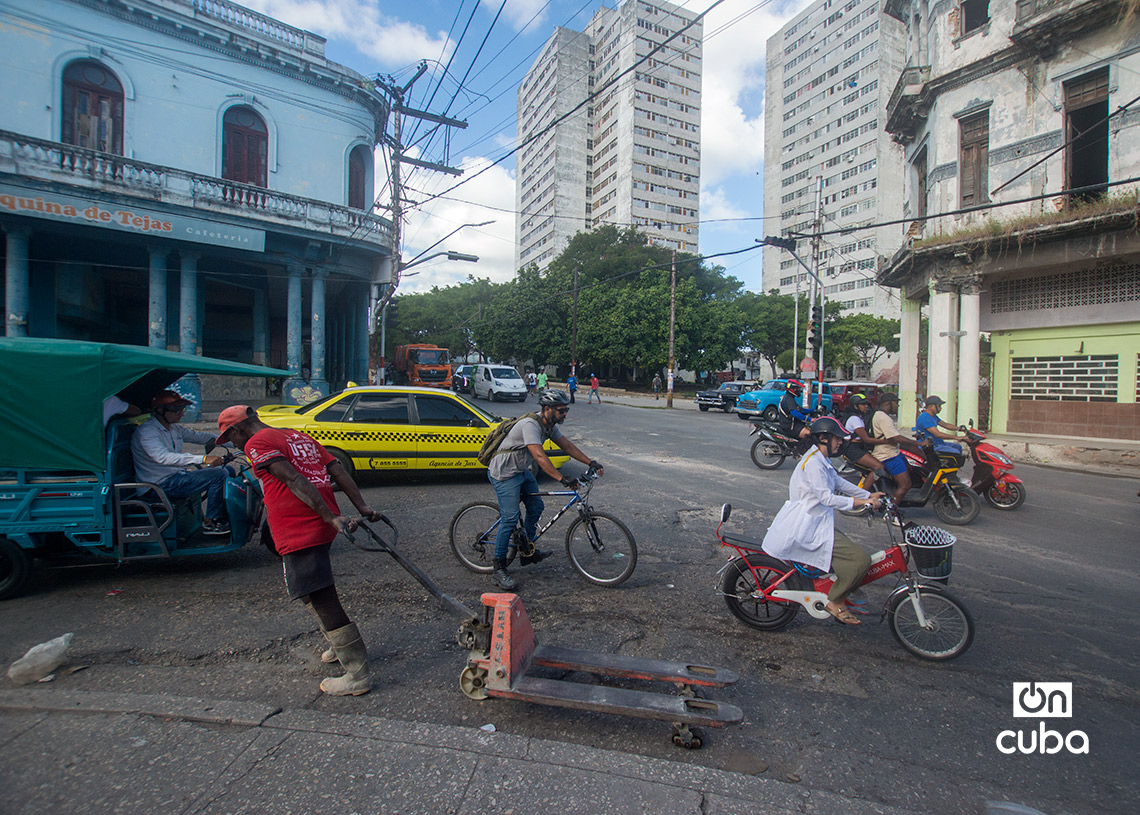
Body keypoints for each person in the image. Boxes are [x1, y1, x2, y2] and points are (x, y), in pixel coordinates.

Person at [216, 405, 383, 696]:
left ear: (237, 429)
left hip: (300, 527)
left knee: (321, 596)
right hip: (320, 523)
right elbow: (337, 471)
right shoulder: (296, 436)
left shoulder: (257, 442)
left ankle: (357, 672)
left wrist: (327, 516)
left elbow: (293, 479)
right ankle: (337, 644)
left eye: (230, 439)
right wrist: (362, 507)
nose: (234, 445)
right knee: (310, 590)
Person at [762, 417, 883, 625]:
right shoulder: (813, 464)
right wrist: (863, 501)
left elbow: (840, 482)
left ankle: (840, 586)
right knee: (860, 561)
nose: (840, 443)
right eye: (837, 438)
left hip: (818, 522)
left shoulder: (820, 459)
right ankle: (835, 601)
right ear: (823, 438)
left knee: (849, 559)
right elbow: (827, 498)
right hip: (808, 526)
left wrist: (867, 494)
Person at [486, 389, 603, 590]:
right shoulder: (531, 425)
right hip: (504, 472)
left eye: (566, 410)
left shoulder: (550, 425)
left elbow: (567, 446)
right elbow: (539, 456)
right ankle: (499, 567)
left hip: (521, 470)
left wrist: (590, 461)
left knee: (536, 507)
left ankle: (527, 550)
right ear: (547, 409)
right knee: (510, 518)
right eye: (561, 410)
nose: (564, 414)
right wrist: (561, 478)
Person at [131, 390, 232, 536]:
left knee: (228, 470)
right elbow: (163, 458)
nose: (181, 414)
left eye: (182, 409)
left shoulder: (174, 428)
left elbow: (202, 437)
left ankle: (222, 514)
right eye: (176, 410)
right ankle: (212, 521)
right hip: (157, 485)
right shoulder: (147, 432)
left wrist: (236, 442)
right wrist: (203, 459)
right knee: (218, 474)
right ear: (160, 411)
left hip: (175, 476)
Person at [868, 392, 926, 504]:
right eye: (896, 403)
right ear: (888, 403)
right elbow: (896, 437)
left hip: (894, 452)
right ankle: (891, 511)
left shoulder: (882, 416)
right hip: (888, 456)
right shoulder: (883, 418)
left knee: (911, 469)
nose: (897, 406)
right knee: (905, 485)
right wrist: (919, 443)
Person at [840, 395, 890, 486]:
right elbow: (866, 439)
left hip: (857, 448)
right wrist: (887, 441)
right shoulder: (855, 419)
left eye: (866, 404)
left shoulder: (858, 418)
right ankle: (864, 494)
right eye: (863, 404)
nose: (866, 406)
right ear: (855, 406)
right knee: (878, 467)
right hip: (854, 450)